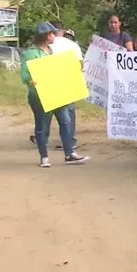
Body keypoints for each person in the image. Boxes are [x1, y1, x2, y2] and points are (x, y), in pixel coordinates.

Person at [20, 21, 88, 167]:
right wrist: (31, 81)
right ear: (45, 35)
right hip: (40, 95)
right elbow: (24, 74)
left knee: (65, 121)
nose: (54, 35)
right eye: (52, 33)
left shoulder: (52, 51)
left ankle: (69, 153)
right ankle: (44, 157)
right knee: (43, 126)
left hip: (57, 92)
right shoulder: (29, 53)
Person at [49, 20, 83, 149]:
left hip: (52, 81)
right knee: (69, 112)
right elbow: (80, 64)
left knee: (50, 111)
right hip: (70, 80)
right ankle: (69, 141)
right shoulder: (72, 45)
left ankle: (43, 137)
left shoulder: (48, 45)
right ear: (63, 30)